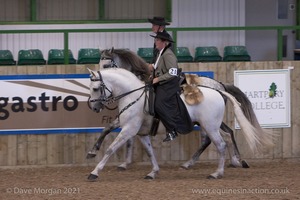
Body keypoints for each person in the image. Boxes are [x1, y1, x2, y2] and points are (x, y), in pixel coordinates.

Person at [149, 32, 193, 142]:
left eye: (157, 40)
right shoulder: (160, 53)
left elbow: (172, 72)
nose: (155, 42)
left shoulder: (168, 54)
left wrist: (158, 79)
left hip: (169, 84)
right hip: (162, 82)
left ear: (164, 43)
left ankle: (172, 130)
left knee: (159, 104)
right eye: (156, 40)